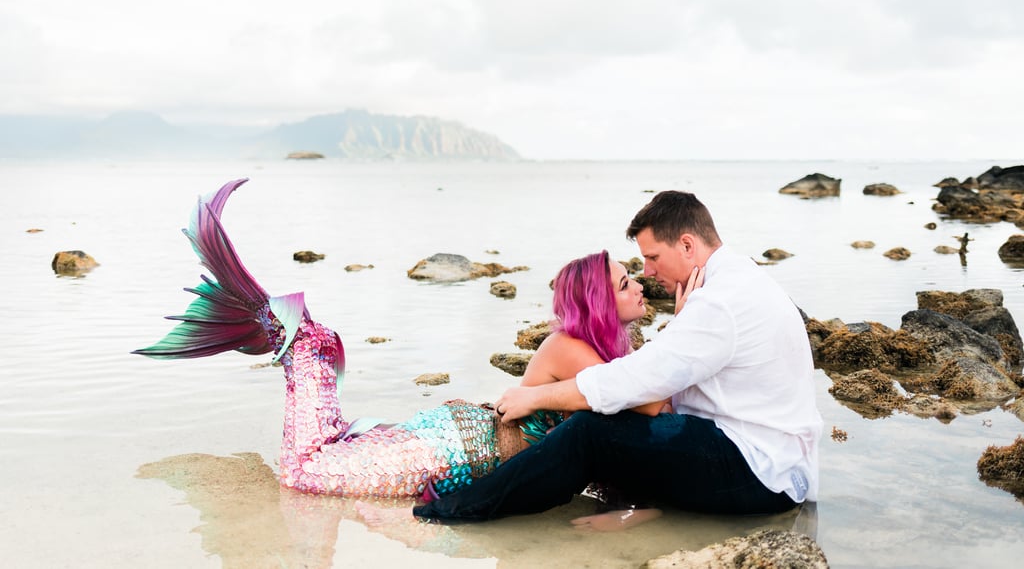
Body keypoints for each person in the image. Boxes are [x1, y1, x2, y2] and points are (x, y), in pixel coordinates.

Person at [132, 178, 671, 501]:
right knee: (304, 476)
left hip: (459, 441)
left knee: (336, 447)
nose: (640, 282)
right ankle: (304, 342)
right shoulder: (572, 348)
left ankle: (305, 340)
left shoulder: (600, 352)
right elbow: (654, 403)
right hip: (453, 451)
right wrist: (690, 319)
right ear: (602, 302)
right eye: (626, 281)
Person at [414, 190, 822, 521]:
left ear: (686, 244)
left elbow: (637, 386)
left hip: (757, 471)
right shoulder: (736, 282)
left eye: (653, 257)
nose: (647, 271)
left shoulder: (719, 302)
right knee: (610, 430)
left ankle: (453, 511)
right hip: (766, 464)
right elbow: (657, 382)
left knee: (591, 434)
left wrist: (535, 397)